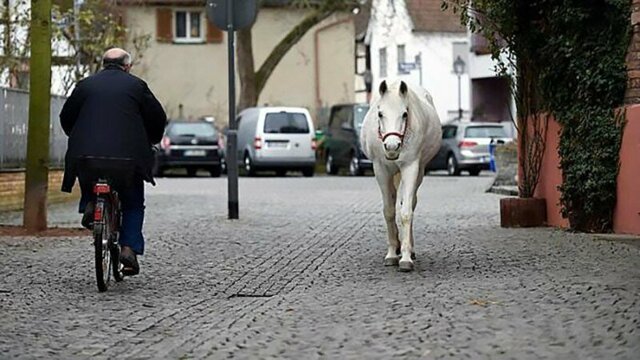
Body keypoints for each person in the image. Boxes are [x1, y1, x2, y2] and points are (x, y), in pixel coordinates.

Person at [60, 48, 167, 276]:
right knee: (133, 202)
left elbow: (66, 117)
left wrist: (77, 137)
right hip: (127, 159)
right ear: (127, 66)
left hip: (87, 156)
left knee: (90, 173)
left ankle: (90, 204)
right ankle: (128, 248)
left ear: (103, 63)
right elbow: (157, 118)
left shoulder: (85, 85)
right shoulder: (137, 86)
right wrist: (151, 139)